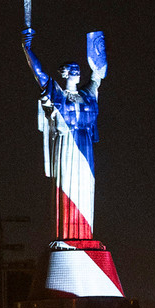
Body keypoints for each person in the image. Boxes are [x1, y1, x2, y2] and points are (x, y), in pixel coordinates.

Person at [21, 28, 103, 241]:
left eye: (77, 68)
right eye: (71, 69)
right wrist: (27, 48)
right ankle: (68, 237)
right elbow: (39, 74)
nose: (76, 71)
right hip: (66, 146)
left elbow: (98, 74)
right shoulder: (58, 95)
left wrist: (97, 48)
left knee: (85, 191)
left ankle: (85, 237)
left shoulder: (88, 95)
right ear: (64, 73)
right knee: (67, 187)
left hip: (85, 147)